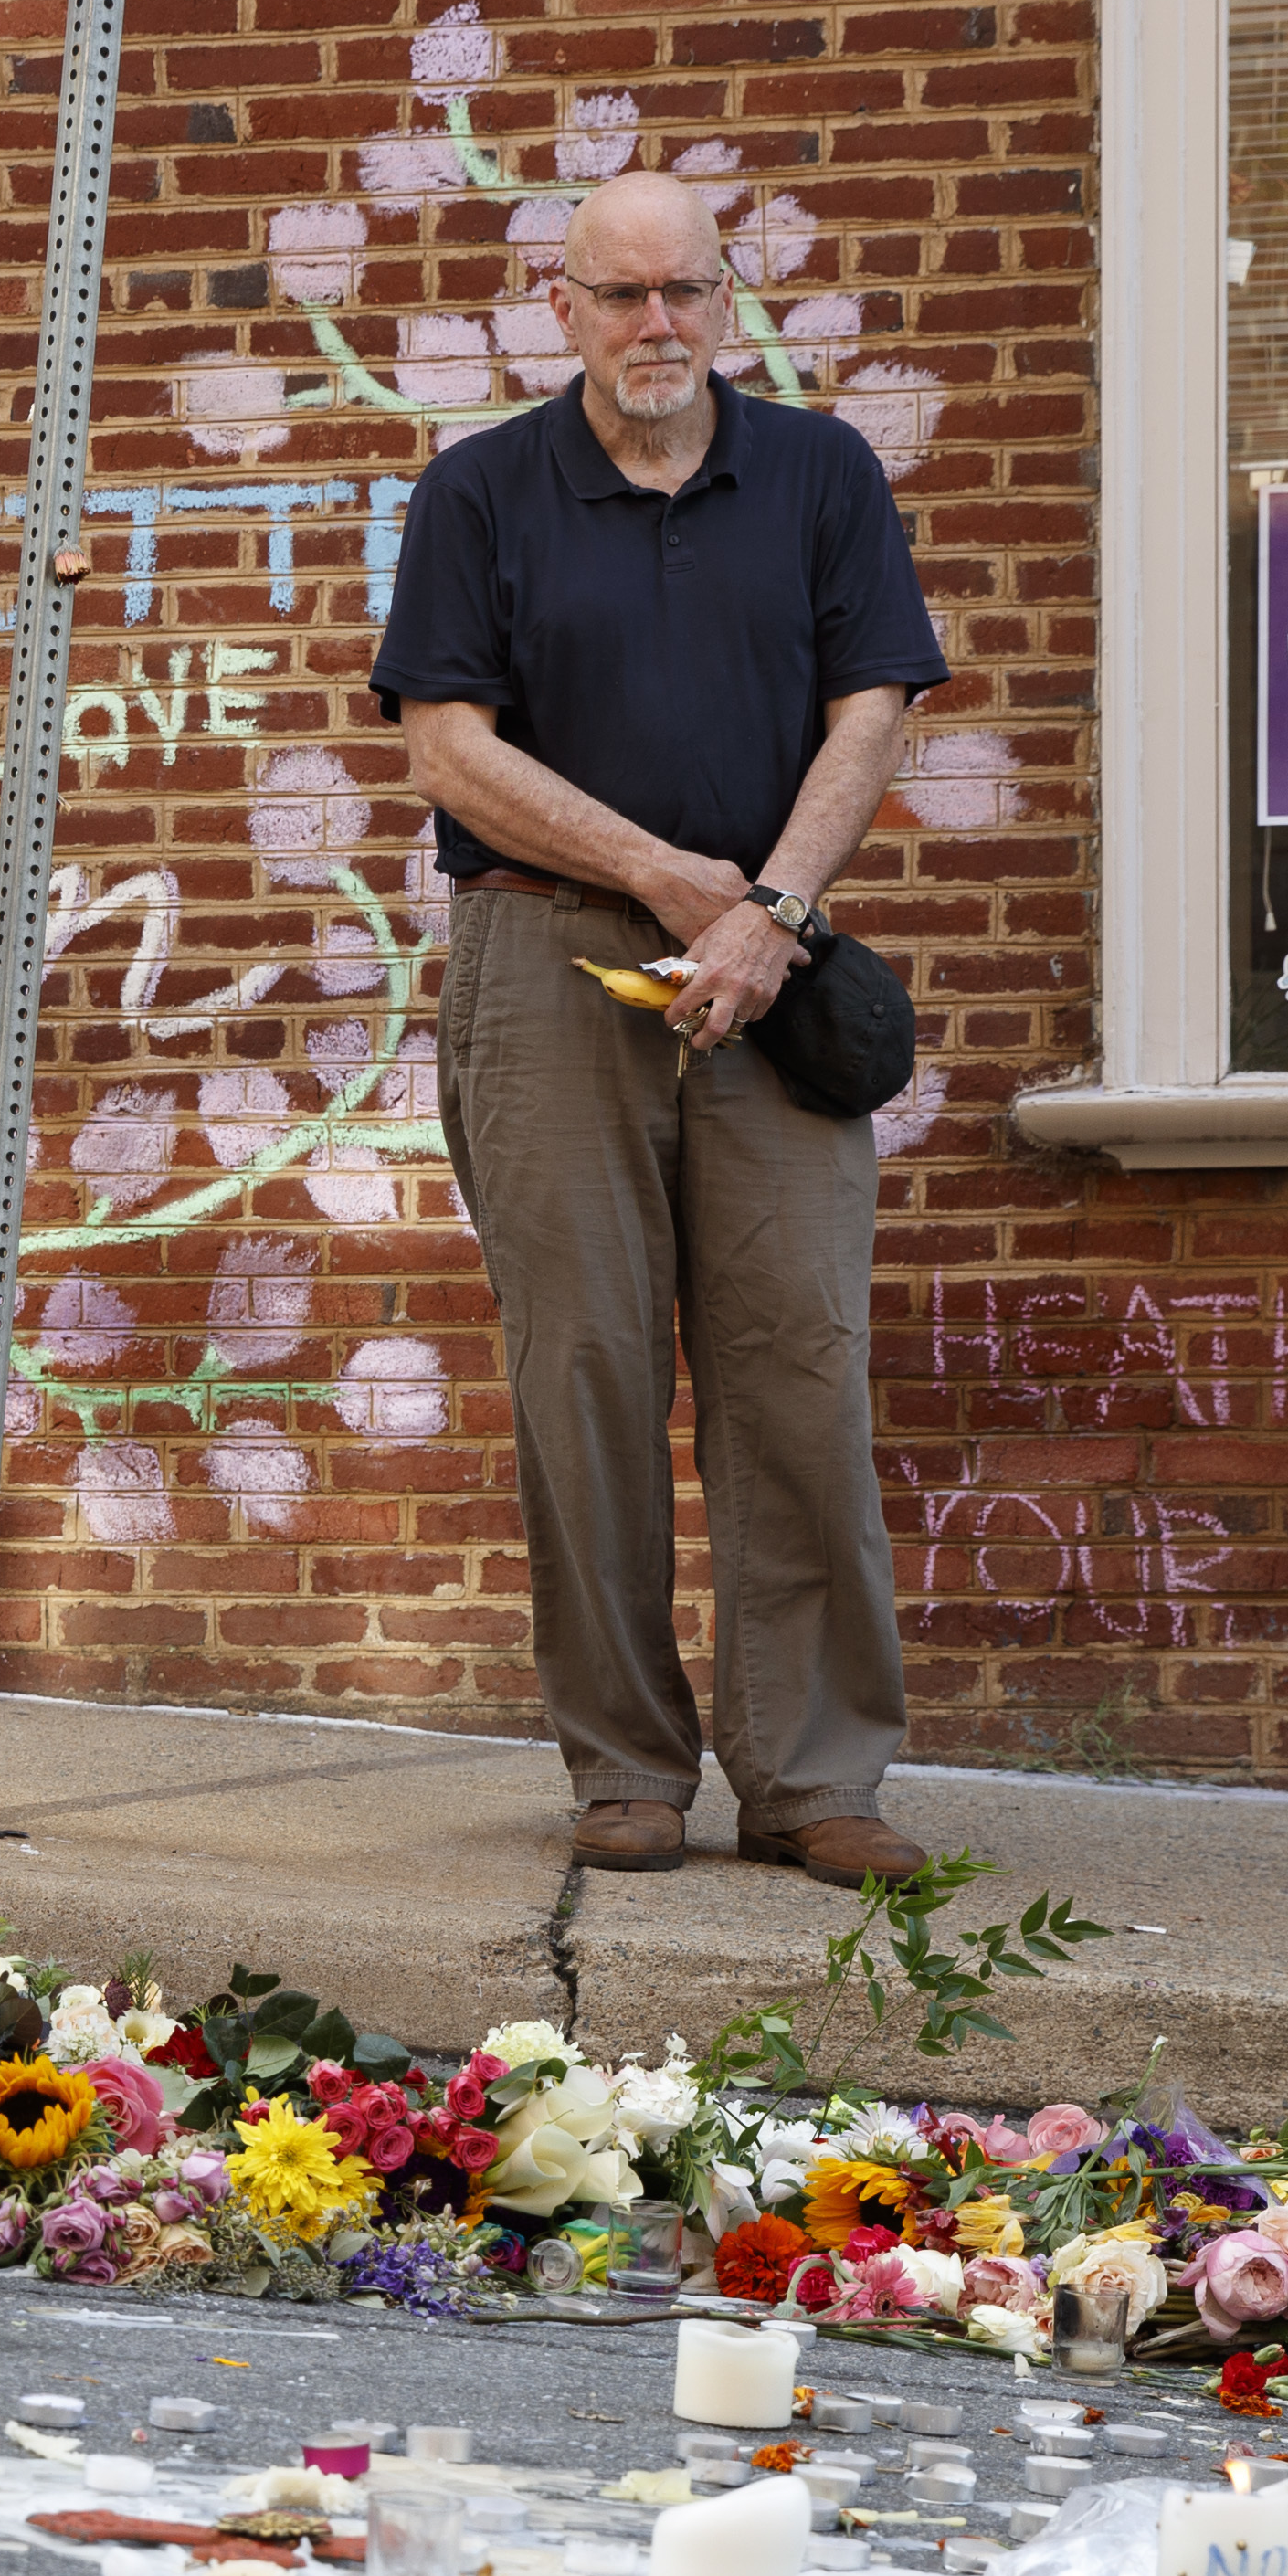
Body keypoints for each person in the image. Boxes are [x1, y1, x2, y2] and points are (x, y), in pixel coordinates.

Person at [366, 166, 945, 1886]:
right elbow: (446, 751)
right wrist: (671, 879)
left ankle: (814, 1774)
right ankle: (625, 1762)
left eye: (686, 290)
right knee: (585, 1374)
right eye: (619, 297)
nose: (656, 326)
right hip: (546, 967)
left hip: (768, 975)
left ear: (725, 297)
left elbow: (874, 703)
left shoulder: (820, 474)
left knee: (797, 1366)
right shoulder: (478, 493)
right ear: (562, 308)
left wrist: (762, 914)